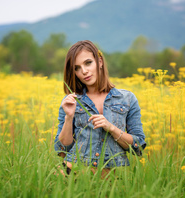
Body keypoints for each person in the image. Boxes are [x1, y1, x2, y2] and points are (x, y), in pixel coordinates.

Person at [54, 40, 146, 177]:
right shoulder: (71, 101)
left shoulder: (127, 98)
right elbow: (62, 151)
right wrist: (68, 117)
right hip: (73, 174)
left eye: (88, 63)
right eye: (77, 68)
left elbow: (138, 147)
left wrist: (112, 128)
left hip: (113, 179)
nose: (84, 71)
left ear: (100, 62)